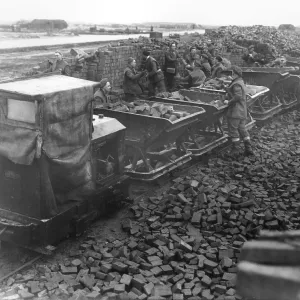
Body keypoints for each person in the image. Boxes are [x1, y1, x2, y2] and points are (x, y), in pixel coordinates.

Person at [223, 66, 254, 156]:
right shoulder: (240, 82)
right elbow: (235, 93)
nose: (231, 75)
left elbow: (237, 96)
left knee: (233, 130)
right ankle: (249, 148)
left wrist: (228, 102)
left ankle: (235, 151)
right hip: (242, 110)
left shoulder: (236, 84)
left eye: (233, 73)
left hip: (236, 111)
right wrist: (227, 89)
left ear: (236, 74)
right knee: (242, 129)